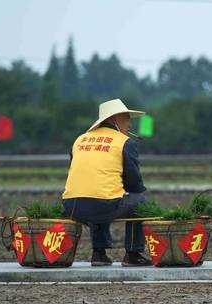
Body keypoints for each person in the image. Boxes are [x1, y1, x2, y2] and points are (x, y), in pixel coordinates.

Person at [62, 99, 152, 267]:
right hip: (103, 205)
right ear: (115, 118)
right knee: (139, 201)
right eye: (127, 119)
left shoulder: (80, 139)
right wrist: (129, 190)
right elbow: (134, 184)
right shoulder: (125, 142)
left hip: (71, 206)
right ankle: (133, 254)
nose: (130, 125)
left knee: (100, 193)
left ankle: (99, 254)